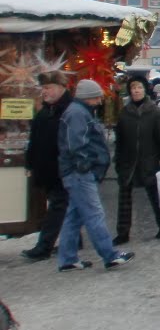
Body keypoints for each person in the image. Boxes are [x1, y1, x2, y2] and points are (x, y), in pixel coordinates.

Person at [55, 79, 134, 272]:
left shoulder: (78, 112)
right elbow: (77, 144)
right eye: (97, 96)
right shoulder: (77, 113)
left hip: (76, 172)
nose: (100, 100)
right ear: (88, 97)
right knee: (94, 214)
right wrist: (86, 165)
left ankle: (67, 258)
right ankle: (110, 255)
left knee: (74, 216)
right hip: (79, 173)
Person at [21, 71, 74, 261]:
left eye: (48, 88)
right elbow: (34, 141)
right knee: (68, 207)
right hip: (48, 171)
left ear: (61, 88)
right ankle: (74, 241)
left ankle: (44, 247)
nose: (44, 92)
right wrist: (30, 163)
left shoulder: (70, 111)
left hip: (64, 170)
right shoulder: (45, 112)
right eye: (43, 88)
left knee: (58, 208)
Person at [113, 75, 160, 244]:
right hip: (128, 161)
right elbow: (120, 139)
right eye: (133, 88)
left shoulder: (154, 112)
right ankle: (123, 232)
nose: (136, 90)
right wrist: (118, 160)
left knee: (155, 196)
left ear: (145, 89)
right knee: (124, 198)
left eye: (139, 87)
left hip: (149, 161)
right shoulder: (124, 113)